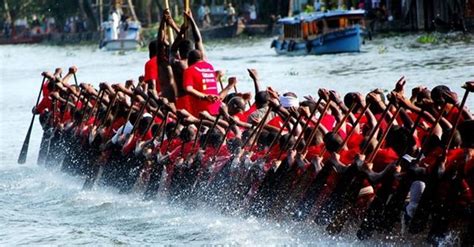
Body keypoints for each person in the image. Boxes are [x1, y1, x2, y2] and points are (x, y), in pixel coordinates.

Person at [183, 49, 220, 117]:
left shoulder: (189, 70)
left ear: (189, 60)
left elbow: (188, 89)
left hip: (202, 111)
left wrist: (205, 97)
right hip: (216, 107)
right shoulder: (210, 66)